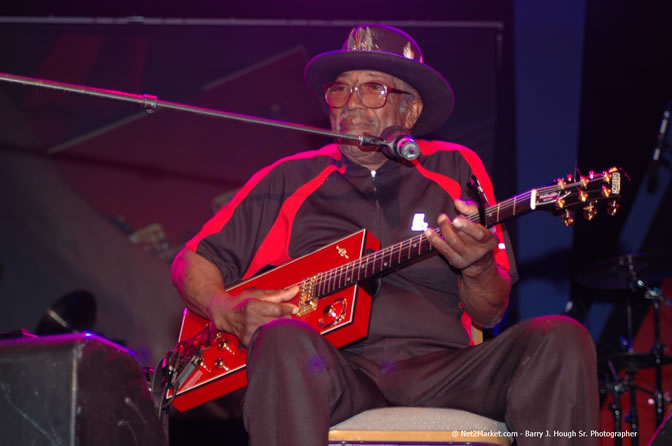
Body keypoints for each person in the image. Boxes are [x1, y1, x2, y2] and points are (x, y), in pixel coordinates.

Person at [171, 24, 599, 445]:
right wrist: (224, 308)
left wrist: (479, 265)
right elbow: (192, 261)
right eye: (341, 89)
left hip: (445, 370)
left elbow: (490, 312)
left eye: (372, 89)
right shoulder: (290, 178)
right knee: (280, 337)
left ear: (410, 111)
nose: (351, 104)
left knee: (561, 338)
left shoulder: (455, 169)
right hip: (335, 374)